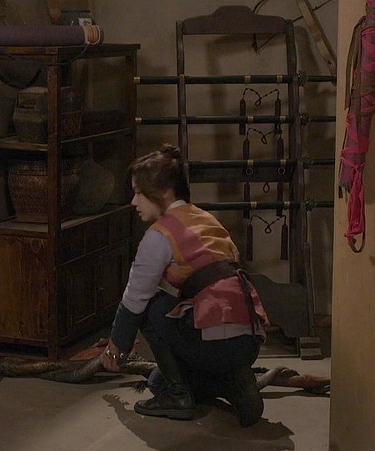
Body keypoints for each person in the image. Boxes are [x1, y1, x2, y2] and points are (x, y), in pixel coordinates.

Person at [99, 144, 270, 427]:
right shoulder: (204, 218)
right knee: (157, 379)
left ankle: (178, 396)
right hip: (249, 342)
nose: (134, 202)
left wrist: (116, 348)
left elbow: (135, 298)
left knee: (150, 303)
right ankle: (234, 383)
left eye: (139, 193)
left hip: (214, 344)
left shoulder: (160, 234)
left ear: (164, 192)